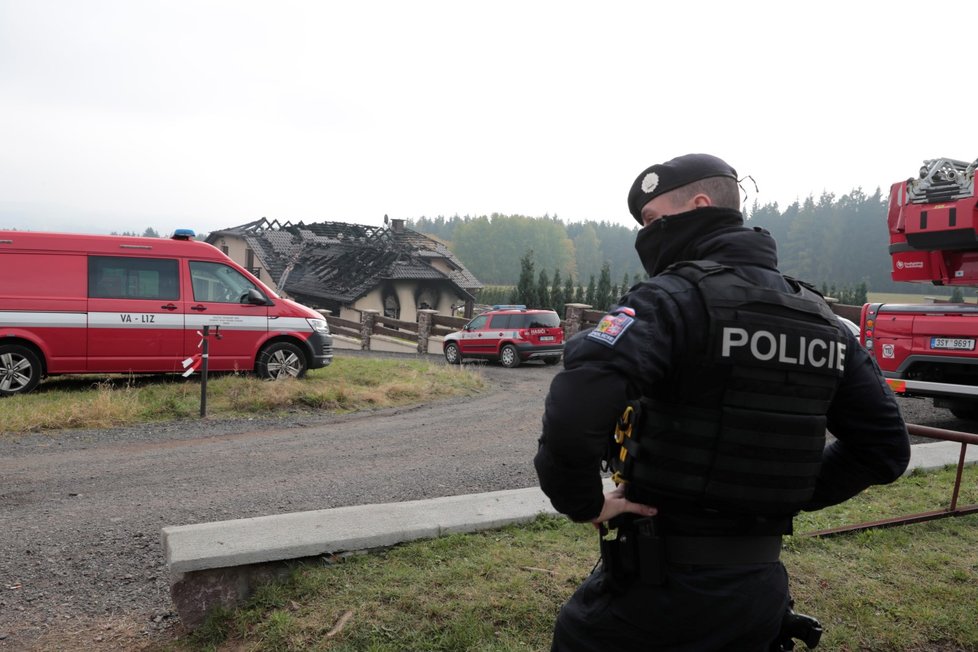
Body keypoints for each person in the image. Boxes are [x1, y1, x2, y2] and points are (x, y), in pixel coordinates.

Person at [534, 153, 910, 651]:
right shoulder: (819, 318)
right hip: (757, 593)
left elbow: (578, 400)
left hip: (657, 590)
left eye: (650, 220)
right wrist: (778, 489)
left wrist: (582, 502)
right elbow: (885, 448)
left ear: (700, 205)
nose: (644, 234)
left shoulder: (669, 299)